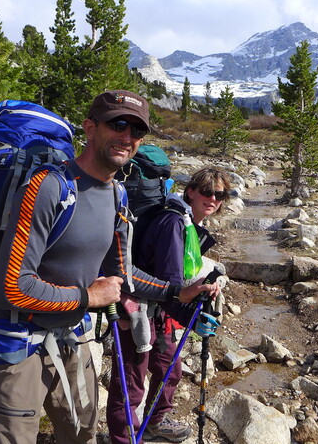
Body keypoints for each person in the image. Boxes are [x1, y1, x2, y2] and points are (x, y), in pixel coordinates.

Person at [0, 90, 218, 444]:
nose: (127, 137)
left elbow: (122, 272)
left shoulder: (116, 195)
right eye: (118, 124)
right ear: (89, 127)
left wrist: (177, 291)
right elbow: (14, 286)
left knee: (82, 435)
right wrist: (88, 296)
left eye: (137, 131)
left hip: (72, 339)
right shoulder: (50, 186)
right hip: (17, 344)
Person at [107, 167, 231, 444]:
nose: (213, 198)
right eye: (207, 191)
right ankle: (124, 439)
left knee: (169, 371)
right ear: (191, 191)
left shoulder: (188, 223)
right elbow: (168, 284)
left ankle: (154, 423)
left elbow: (177, 280)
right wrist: (191, 318)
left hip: (161, 312)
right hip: (137, 309)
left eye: (220, 194)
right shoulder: (173, 223)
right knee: (131, 384)